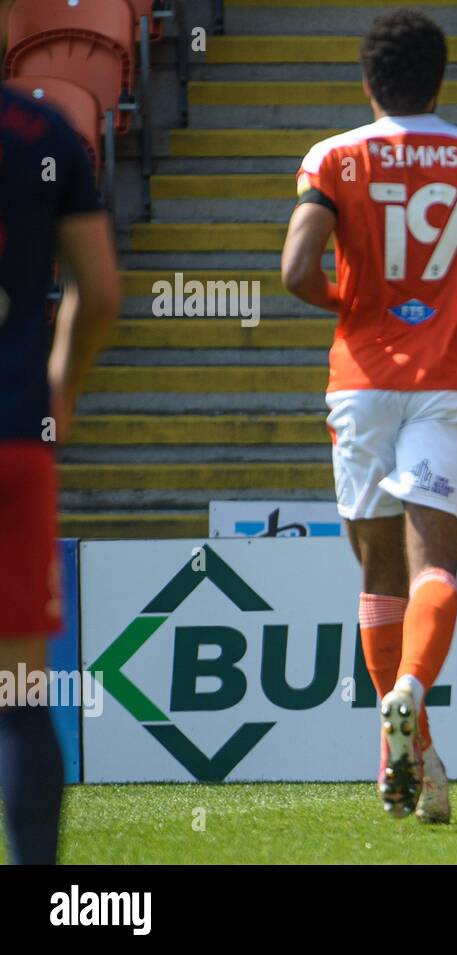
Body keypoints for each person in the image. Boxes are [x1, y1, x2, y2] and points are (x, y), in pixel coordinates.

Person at [281, 9, 457, 819]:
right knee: (435, 570)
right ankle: (414, 703)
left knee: (378, 576)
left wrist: (353, 301)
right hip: (446, 383)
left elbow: (295, 271)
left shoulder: (333, 156)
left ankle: (407, 749)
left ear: (367, 82)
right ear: (441, 78)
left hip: (358, 383)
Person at [0, 0, 121, 863]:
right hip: (12, 430)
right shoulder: (43, 131)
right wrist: (60, 389)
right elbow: (100, 290)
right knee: (16, 689)